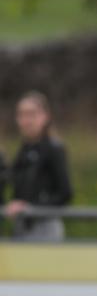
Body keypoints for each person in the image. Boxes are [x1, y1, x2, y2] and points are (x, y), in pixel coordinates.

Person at [6, 91, 73, 241]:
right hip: (22, 226)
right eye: (21, 115)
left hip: (44, 228)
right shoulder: (23, 150)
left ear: (45, 116)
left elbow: (65, 193)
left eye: (31, 114)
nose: (26, 120)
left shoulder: (54, 148)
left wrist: (31, 207)